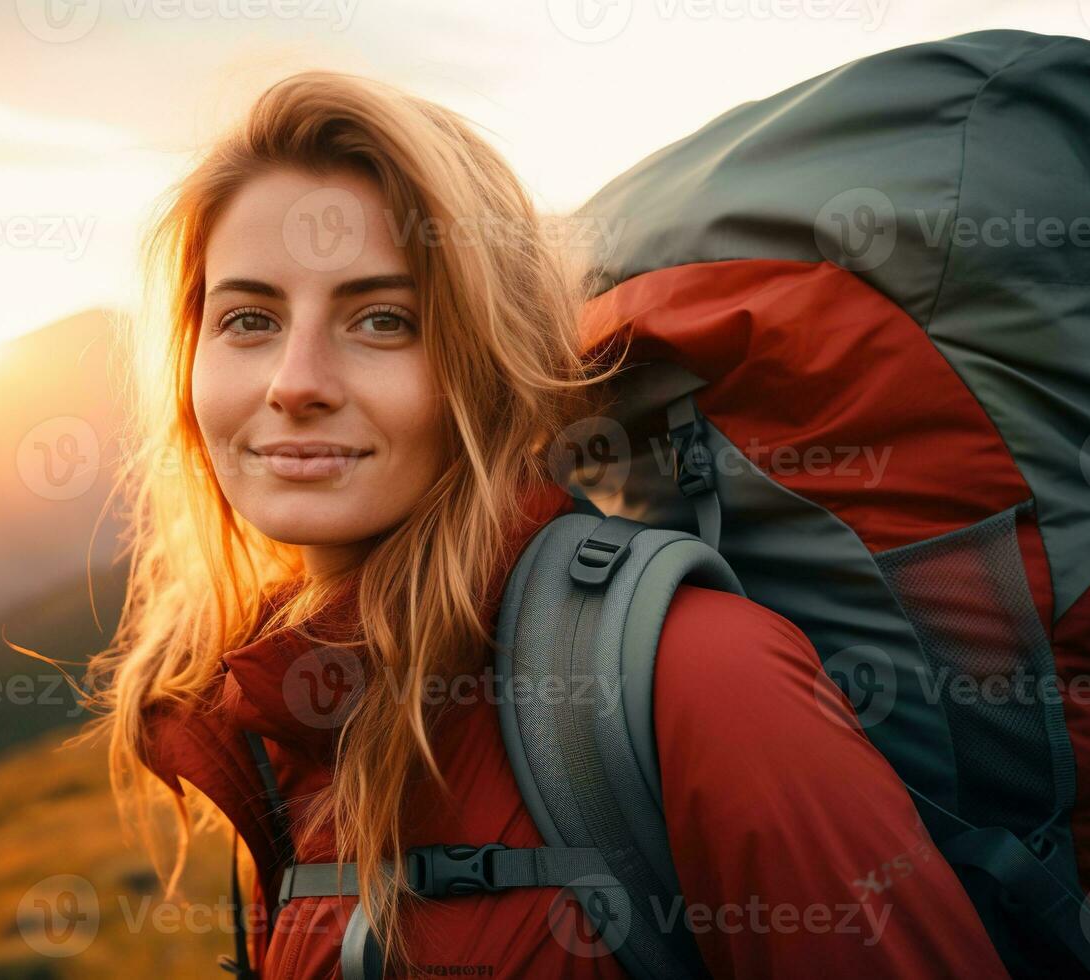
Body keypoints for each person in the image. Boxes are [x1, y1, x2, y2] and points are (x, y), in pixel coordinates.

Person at [86, 70, 1011, 978]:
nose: (294, 382)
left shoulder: (696, 677)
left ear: (492, 363)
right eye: (248, 317)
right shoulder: (284, 714)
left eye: (382, 320)